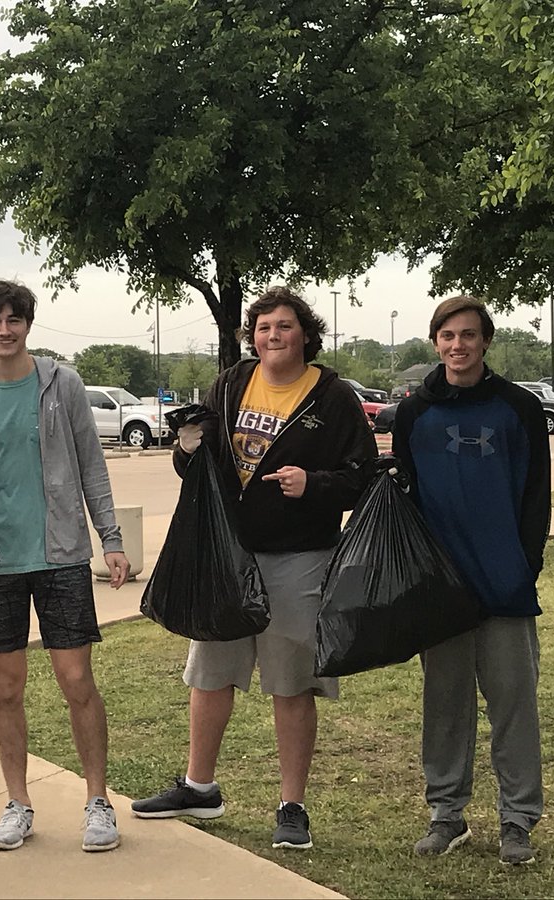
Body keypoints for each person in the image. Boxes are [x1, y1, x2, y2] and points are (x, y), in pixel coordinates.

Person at [131, 286, 376, 850]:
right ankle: (199, 788)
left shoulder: (332, 397)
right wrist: (187, 449)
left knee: (291, 682)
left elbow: (363, 476)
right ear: (252, 335)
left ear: (305, 335)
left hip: (299, 558)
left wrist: (312, 485)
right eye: (264, 327)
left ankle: (292, 807)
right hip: (227, 554)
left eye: (284, 326)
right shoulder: (232, 383)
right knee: (210, 670)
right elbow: (197, 465)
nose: (273, 336)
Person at [0, 280, 131, 853]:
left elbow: (91, 464)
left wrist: (111, 538)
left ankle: (98, 801)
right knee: (6, 687)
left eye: (13, 319)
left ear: (28, 324)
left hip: (60, 555)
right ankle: (17, 803)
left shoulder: (60, 383)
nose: (4, 329)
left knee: (76, 680)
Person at [392, 296, 549, 865]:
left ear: (485, 342)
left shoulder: (519, 409)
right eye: (447, 336)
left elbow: (536, 499)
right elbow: (404, 499)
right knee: (446, 706)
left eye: (468, 335)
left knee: (513, 706)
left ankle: (518, 819)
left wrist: (522, 566)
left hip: (504, 587)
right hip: (442, 591)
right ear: (435, 342)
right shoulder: (412, 414)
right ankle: (446, 813)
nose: (457, 346)